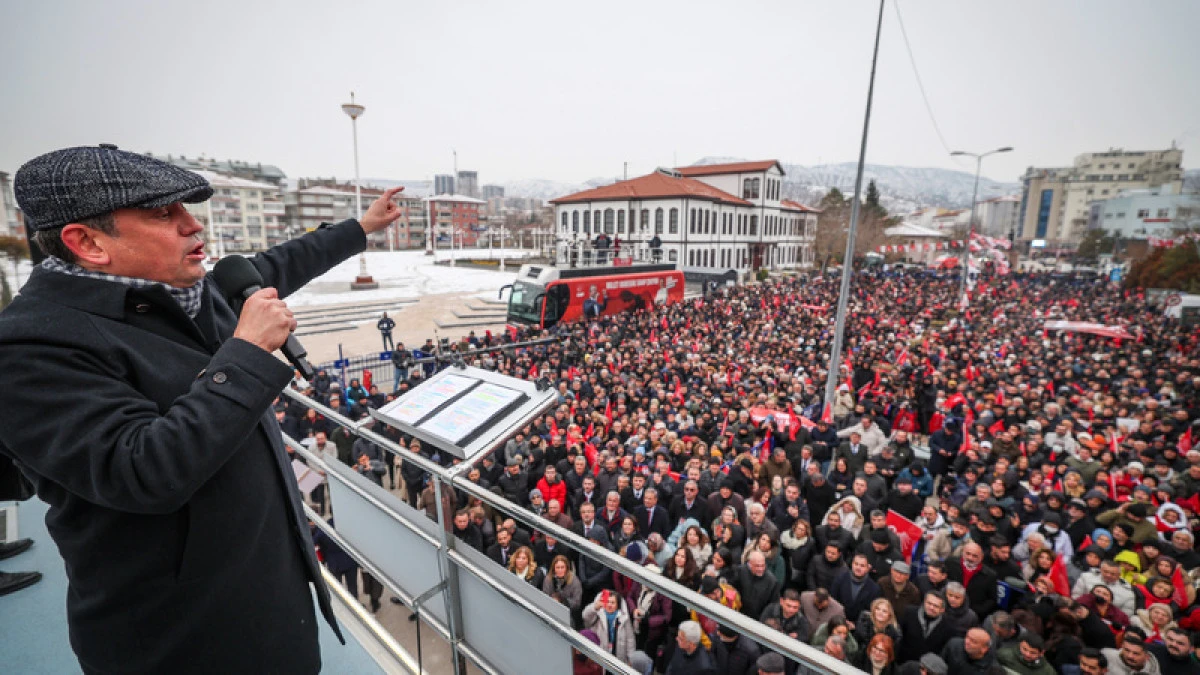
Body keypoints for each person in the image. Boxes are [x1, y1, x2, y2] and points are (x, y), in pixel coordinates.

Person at [0, 146, 404, 673]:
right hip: (180, 642)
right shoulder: (29, 348)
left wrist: (362, 226)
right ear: (88, 243)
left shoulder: (187, 291)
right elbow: (142, 471)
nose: (195, 226)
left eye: (188, 209)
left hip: (272, 612)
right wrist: (247, 354)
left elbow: (282, 261)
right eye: (164, 214)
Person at [897, 591, 956, 664]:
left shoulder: (948, 626)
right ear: (924, 602)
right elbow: (899, 636)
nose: (931, 607)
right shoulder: (909, 613)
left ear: (942, 610)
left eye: (936, 606)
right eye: (929, 603)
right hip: (904, 664)